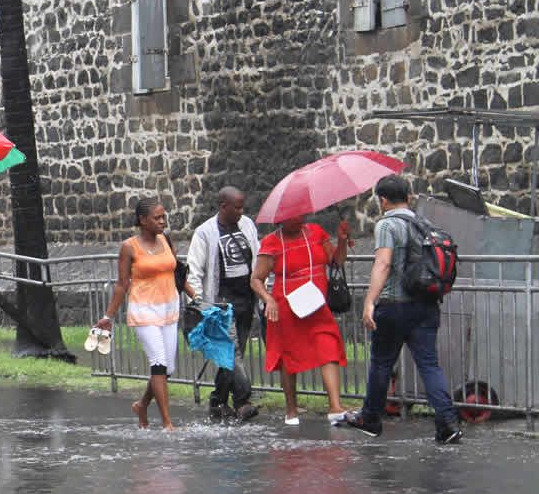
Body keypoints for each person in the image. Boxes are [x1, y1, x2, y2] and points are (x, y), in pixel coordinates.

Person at [344, 176, 463, 444]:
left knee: (382, 363)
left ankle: (371, 418)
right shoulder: (425, 225)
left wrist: (369, 302)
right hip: (426, 305)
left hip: (394, 306)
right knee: (429, 365)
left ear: (383, 200)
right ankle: (447, 423)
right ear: (409, 197)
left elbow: (383, 264)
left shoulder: (387, 224)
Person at [97, 199, 195, 431]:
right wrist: (108, 317)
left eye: (164, 217)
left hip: (169, 308)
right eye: (157, 218)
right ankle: (167, 422)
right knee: (158, 363)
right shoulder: (129, 247)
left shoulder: (165, 240)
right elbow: (122, 285)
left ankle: (142, 405)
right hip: (144, 310)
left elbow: (177, 274)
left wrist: (195, 297)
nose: (163, 221)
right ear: (142, 220)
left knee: (168, 368)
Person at [250, 213, 350, 426]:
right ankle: (291, 409)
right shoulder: (272, 242)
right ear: (280, 218)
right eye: (292, 215)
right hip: (286, 307)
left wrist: (342, 241)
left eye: (300, 214)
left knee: (329, 346)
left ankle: (335, 406)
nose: (298, 218)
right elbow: (256, 279)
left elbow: (337, 262)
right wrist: (268, 299)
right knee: (288, 357)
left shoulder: (315, 232)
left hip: (316, 305)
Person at [186, 186, 260, 421]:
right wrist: (198, 303)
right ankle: (243, 401)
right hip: (220, 304)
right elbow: (194, 270)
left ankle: (218, 401)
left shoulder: (247, 224)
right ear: (223, 206)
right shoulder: (204, 232)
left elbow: (257, 256)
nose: (241, 211)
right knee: (232, 351)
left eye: (242, 207)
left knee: (232, 353)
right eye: (236, 207)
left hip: (246, 299)